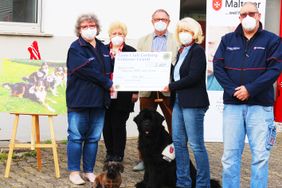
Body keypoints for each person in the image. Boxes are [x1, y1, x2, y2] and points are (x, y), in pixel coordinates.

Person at [213, 2, 282, 187]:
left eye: (251, 13)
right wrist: (233, 90)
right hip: (232, 106)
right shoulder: (227, 39)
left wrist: (250, 89)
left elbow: (274, 69)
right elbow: (218, 67)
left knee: (260, 156)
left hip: (260, 107)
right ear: (239, 18)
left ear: (259, 16)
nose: (248, 17)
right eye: (243, 14)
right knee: (229, 156)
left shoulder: (272, 40)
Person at [163, 17, 211, 188]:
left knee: (196, 145)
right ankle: (183, 182)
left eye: (188, 31)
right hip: (179, 102)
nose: (184, 34)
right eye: (182, 31)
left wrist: (170, 85)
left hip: (193, 103)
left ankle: (203, 184)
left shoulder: (197, 51)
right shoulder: (181, 51)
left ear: (195, 33)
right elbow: (176, 74)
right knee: (178, 142)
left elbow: (193, 77)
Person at [66, 13, 113, 185]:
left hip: (99, 101)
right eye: (84, 26)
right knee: (76, 137)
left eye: (91, 25)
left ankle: (89, 171)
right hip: (79, 100)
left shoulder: (103, 48)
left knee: (93, 138)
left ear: (97, 28)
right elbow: (85, 71)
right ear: (79, 30)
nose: (89, 29)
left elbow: (111, 68)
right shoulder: (75, 48)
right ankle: (74, 172)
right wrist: (107, 82)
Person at [133, 8, 178, 171]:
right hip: (147, 90)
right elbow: (138, 64)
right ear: (152, 21)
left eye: (164, 19)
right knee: (144, 125)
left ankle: (172, 156)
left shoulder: (176, 40)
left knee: (174, 124)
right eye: (157, 19)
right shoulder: (142, 40)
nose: (160, 22)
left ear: (169, 22)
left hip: (167, 90)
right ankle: (144, 159)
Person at [103, 21, 138, 163]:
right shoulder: (103, 50)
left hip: (124, 94)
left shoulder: (131, 51)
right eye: (114, 34)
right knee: (106, 124)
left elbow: (136, 73)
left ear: (125, 36)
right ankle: (109, 152)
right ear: (110, 35)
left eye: (120, 34)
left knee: (118, 124)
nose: (117, 36)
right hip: (106, 93)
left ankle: (118, 154)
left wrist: (135, 92)